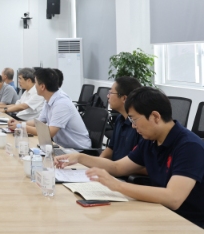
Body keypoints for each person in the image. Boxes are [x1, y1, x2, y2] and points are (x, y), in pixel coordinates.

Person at [55, 87, 204, 228]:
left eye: (134, 119)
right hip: (159, 212)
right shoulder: (150, 140)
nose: (133, 126)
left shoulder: (189, 146)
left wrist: (118, 186)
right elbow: (117, 167)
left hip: (189, 223)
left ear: (155, 116)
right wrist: (80, 157)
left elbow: (173, 198)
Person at [8, 68, 90, 149]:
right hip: (61, 146)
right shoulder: (49, 99)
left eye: (36, 83)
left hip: (77, 150)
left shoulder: (61, 103)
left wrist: (21, 126)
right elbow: (39, 122)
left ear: (42, 86)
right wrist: (19, 123)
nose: (34, 86)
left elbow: (49, 132)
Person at [99, 77, 142, 161]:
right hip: (115, 167)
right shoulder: (120, 119)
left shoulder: (139, 125)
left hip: (124, 168)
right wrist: (98, 161)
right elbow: (111, 148)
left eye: (111, 93)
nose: (108, 96)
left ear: (124, 98)